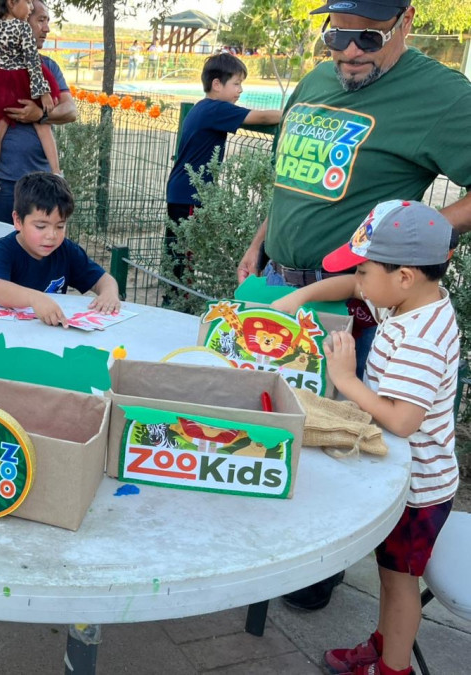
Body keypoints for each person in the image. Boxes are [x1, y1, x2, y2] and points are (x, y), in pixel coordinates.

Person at [235, 0, 471, 611]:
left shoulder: (441, 95)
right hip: (278, 285)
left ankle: (314, 570)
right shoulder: (317, 79)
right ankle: (255, 550)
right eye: (337, 34)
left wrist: (415, 233)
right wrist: (260, 243)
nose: (349, 51)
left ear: (406, 22)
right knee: (264, 422)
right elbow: (292, 177)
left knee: (332, 440)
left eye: (367, 36)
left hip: (355, 305)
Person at [270, 200, 459, 675]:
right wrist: (300, 297)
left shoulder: (422, 338)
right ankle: (383, 643)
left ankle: (393, 668)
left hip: (419, 490)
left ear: (404, 276)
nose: (359, 280)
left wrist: (346, 377)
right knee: (388, 577)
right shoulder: (410, 300)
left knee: (399, 584)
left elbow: (402, 421)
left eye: (365, 269)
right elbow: (355, 286)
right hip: (401, 476)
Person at [165, 53, 281, 271]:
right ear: (217, 84)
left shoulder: (202, 107)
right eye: (236, 84)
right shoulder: (216, 109)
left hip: (180, 190)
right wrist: (296, 114)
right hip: (191, 194)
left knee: (178, 252)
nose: (240, 90)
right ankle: (182, 300)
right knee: (186, 254)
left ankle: (175, 294)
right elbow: (264, 118)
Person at [0, 0, 78, 224]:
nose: (47, 28)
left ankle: (56, 173)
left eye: (48, 21)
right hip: (3, 185)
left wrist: (39, 114)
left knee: (37, 247)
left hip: (38, 184)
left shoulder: (49, 66)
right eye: (40, 20)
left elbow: (70, 111)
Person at [0, 172, 121, 326]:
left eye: (60, 226)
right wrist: (35, 298)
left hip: (51, 335)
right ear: (18, 221)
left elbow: (104, 279)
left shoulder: (67, 251)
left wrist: (109, 293)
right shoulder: (1, 251)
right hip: (4, 333)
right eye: (41, 226)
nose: (52, 235)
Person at [0, 0, 60, 203]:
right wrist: (43, 92)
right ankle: (56, 172)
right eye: (27, 3)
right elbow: (33, 61)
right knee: (43, 127)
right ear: (11, 3)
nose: (31, 8)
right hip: (20, 78)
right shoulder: (23, 27)